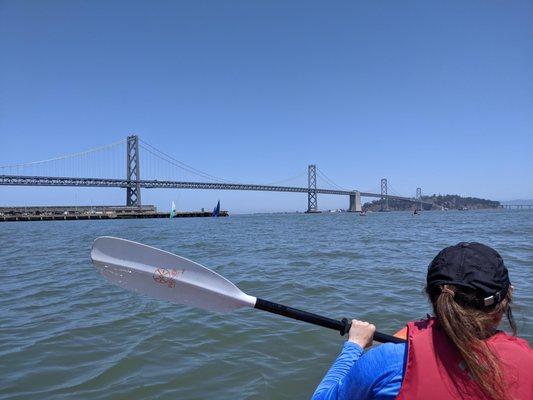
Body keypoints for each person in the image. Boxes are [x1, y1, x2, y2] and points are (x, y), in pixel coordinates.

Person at [312, 242, 533, 399]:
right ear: (506, 298)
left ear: (430, 295)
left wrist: (354, 346)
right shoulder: (528, 361)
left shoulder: (388, 362)